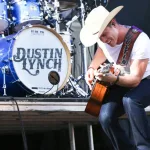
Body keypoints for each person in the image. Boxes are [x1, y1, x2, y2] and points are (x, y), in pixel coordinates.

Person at [80, 5, 150, 150]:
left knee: (131, 101)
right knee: (104, 116)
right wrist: (92, 69)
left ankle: (144, 147)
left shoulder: (140, 40)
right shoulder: (103, 40)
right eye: (100, 37)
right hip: (121, 79)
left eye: (105, 35)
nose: (104, 40)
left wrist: (113, 79)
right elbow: (102, 51)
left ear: (113, 22)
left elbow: (135, 79)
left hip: (145, 80)